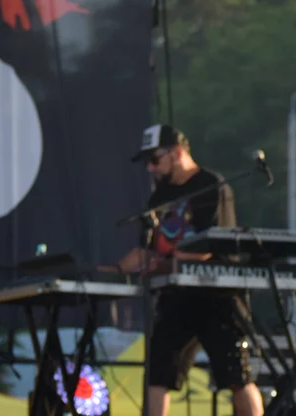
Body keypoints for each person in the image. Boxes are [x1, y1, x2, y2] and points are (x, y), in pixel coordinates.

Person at [108, 124, 265, 416]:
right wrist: (113, 269)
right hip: (176, 296)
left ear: (177, 152)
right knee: (157, 374)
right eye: (147, 162)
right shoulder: (159, 196)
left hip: (217, 295)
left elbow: (207, 246)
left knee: (237, 376)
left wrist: (161, 262)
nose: (150, 168)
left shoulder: (210, 184)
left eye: (154, 159)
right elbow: (149, 249)